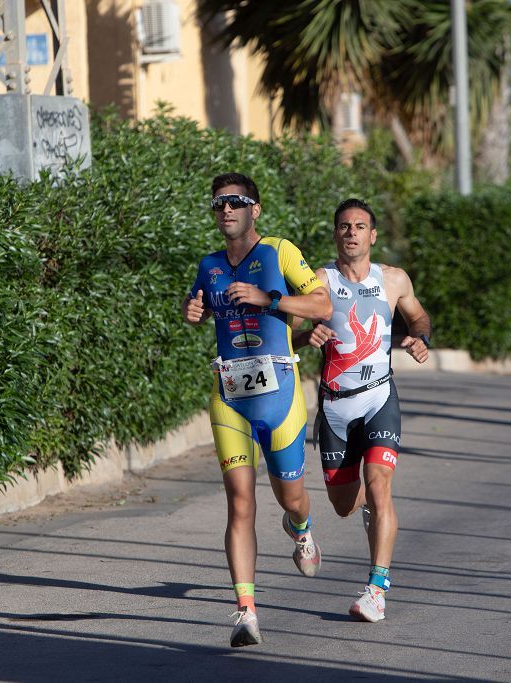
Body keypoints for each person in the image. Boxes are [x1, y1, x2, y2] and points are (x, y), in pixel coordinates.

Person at [182, 172, 332, 648]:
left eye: (236, 202)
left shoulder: (279, 251)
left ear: (255, 209)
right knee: (240, 501)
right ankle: (245, 610)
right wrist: (193, 311)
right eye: (218, 204)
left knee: (291, 497)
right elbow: (198, 303)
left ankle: (301, 528)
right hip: (229, 396)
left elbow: (323, 305)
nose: (226, 210)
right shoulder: (209, 264)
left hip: (280, 395)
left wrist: (271, 298)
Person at [291, 198, 430, 623]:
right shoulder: (318, 281)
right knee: (344, 505)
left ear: (372, 235)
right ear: (335, 234)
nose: (351, 232)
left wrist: (421, 337)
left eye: (360, 226)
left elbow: (418, 316)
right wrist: (305, 337)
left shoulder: (393, 279)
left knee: (381, 485)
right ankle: (301, 523)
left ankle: (376, 589)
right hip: (334, 407)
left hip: (378, 398)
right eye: (344, 226)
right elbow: (290, 335)